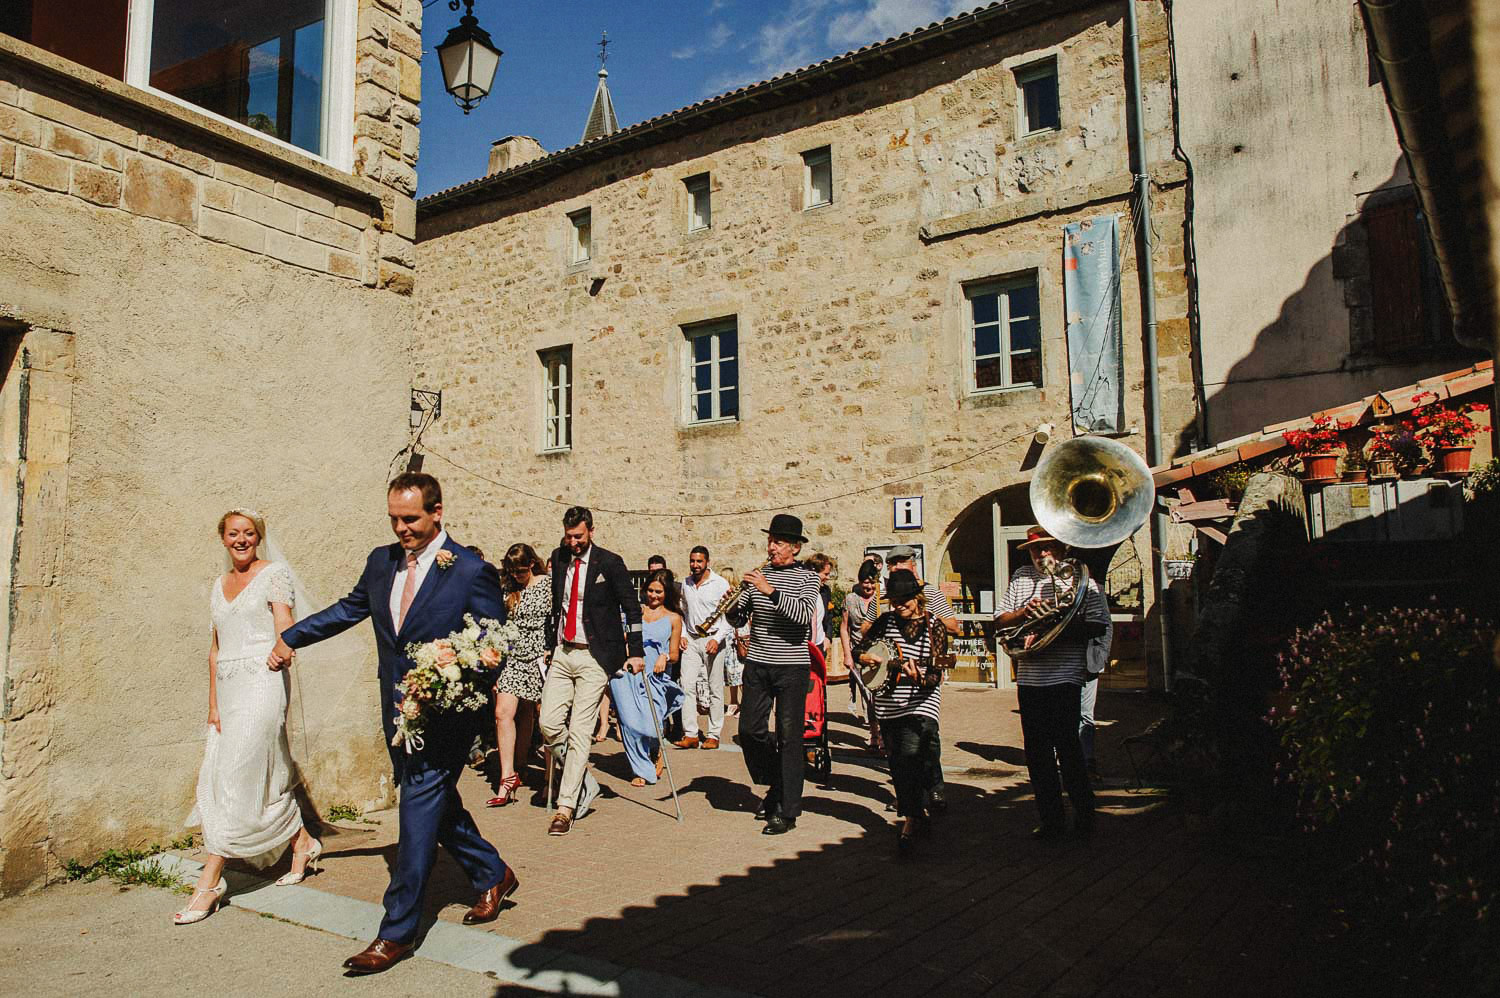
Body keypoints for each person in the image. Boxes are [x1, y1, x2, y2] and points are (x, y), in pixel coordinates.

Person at [267, 474, 515, 975]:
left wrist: (448, 672)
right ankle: (492, 872)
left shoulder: (470, 570)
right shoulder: (381, 562)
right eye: (394, 520)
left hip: (446, 715)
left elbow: (494, 647)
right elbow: (350, 609)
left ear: (437, 512)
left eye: (411, 519)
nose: (401, 529)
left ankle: (395, 931)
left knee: (417, 808)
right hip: (394, 708)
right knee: (436, 801)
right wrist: (292, 635)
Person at [176, 509, 320, 925]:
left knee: (236, 775)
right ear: (222, 538)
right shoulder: (218, 586)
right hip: (229, 689)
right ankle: (303, 841)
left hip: (263, 682)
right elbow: (215, 649)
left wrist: (284, 645)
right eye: (233, 533)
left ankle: (210, 880)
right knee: (238, 770)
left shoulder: (274, 574)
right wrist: (213, 705)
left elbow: (284, 623)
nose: (241, 540)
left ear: (259, 538)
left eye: (249, 534)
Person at [995, 526, 1109, 841]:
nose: (1040, 555)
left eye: (1046, 548)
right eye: (1035, 550)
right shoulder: (1020, 577)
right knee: (1037, 753)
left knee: (1069, 749)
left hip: (1065, 676)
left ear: (1060, 548)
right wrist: (1024, 613)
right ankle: (1051, 821)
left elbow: (1098, 623)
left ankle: (1085, 816)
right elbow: (1000, 619)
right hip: (1031, 678)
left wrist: (1053, 626)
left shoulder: (1081, 578)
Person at [540, 507, 644, 836]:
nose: (573, 542)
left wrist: (636, 652)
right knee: (548, 724)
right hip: (563, 650)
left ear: (591, 532)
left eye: (579, 537)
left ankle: (566, 806)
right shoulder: (557, 558)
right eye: (569, 537)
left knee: (581, 729)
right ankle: (584, 778)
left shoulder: (609, 563)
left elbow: (632, 607)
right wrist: (548, 642)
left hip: (595, 655)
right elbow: (556, 605)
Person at [727, 513, 821, 835]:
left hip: (792, 666)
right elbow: (739, 621)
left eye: (778, 542)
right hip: (758, 663)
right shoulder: (760, 575)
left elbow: (802, 618)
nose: (771, 547)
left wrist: (768, 590)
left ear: (794, 547)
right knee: (750, 730)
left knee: (789, 737)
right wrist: (734, 607)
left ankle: (787, 809)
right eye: (770, 541)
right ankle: (777, 782)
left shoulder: (809, 578)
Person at [855, 570, 948, 856]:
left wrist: (918, 677)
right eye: (894, 601)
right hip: (888, 703)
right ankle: (918, 814)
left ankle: (909, 821)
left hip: (920, 702)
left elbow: (935, 675)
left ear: (917, 597)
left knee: (911, 757)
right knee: (897, 764)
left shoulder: (934, 626)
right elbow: (861, 648)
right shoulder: (886, 621)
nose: (899, 606)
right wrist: (865, 657)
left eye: (904, 600)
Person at [871, 544, 959, 814]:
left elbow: (952, 625)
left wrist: (930, 624)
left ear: (913, 562)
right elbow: (868, 635)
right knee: (902, 756)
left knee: (925, 743)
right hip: (890, 695)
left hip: (923, 688)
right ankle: (913, 801)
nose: (896, 566)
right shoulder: (884, 598)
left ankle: (932, 791)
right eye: (892, 563)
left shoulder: (930, 592)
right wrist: (872, 657)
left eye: (900, 561)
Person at [487, 543, 549, 807]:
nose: (517, 576)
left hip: (540, 657)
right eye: (512, 571)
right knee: (503, 713)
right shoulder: (508, 589)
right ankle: (507, 776)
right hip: (512, 657)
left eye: (521, 571)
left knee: (543, 718)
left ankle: (551, 777)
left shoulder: (547, 585)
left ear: (532, 564)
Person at [610, 569, 684, 786]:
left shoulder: (674, 618)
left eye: (659, 592)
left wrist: (664, 657)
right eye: (650, 590)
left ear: (667, 593)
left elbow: (674, 654)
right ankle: (641, 768)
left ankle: (656, 749)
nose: (653, 596)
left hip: (655, 674)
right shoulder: (635, 613)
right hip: (629, 673)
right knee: (630, 723)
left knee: (651, 725)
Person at [675, 545, 732, 750]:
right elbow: (683, 611)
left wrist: (717, 638)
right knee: (686, 686)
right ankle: (690, 733)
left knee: (715, 688)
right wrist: (682, 634)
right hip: (691, 639)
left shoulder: (720, 583)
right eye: (692, 561)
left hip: (713, 639)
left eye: (699, 561)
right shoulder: (686, 583)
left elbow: (729, 616)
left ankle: (713, 734)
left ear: (707, 561)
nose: (695, 565)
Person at [842, 560, 882, 744]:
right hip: (859, 652)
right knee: (867, 693)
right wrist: (847, 655)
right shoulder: (851, 599)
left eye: (872, 582)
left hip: (880, 651)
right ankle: (874, 733)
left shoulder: (882, 599)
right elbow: (844, 628)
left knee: (881, 692)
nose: (869, 586)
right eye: (865, 582)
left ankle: (884, 733)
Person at [719, 567, 746, 714]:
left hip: (737, 635)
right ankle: (733, 702)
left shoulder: (738, 595)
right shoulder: (722, 595)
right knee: (730, 672)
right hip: (727, 635)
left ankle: (744, 703)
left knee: (739, 671)